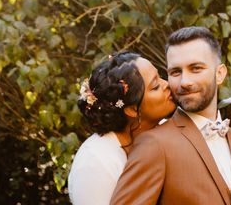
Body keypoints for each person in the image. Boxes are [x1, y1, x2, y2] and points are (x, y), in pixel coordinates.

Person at [110, 26, 231, 205]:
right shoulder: (154, 145)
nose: (185, 82)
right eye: (175, 72)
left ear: (219, 74)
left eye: (196, 68)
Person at [67, 51, 176, 205]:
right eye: (156, 86)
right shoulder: (96, 163)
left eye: (160, 77)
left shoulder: (167, 132)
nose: (168, 85)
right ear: (131, 109)